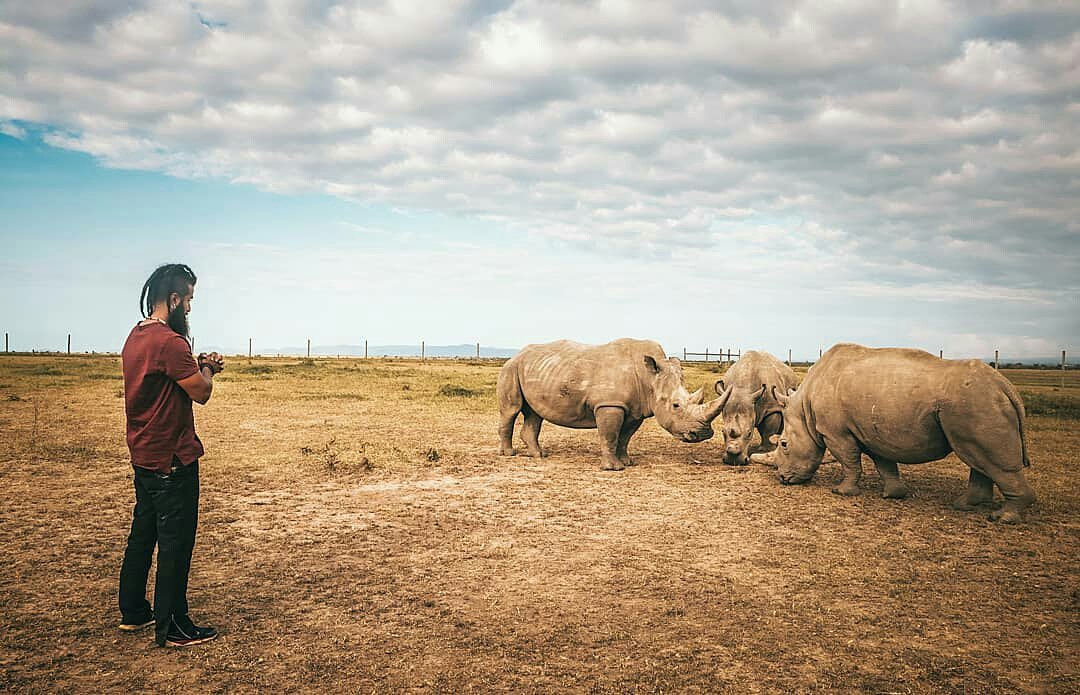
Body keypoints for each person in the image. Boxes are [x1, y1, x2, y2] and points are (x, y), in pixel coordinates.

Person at [117, 263, 224, 647]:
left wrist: (195, 367)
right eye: (190, 300)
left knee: (143, 534)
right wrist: (208, 368)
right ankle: (174, 624)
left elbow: (166, 381)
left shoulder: (136, 336)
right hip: (173, 460)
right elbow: (201, 392)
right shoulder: (170, 342)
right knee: (177, 542)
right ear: (175, 299)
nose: (191, 309)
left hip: (145, 454)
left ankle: (133, 611)